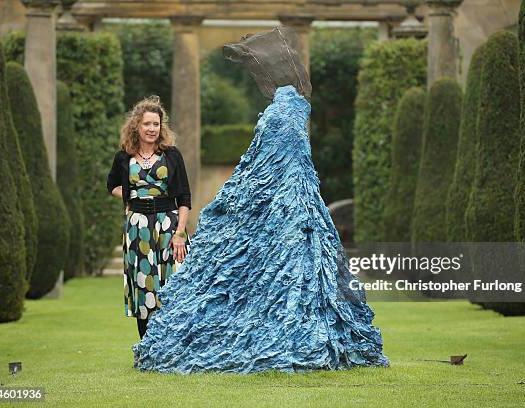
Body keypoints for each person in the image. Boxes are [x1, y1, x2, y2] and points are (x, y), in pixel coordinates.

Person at [132, 27, 389, 373]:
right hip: (299, 207)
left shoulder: (281, 112)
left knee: (279, 274)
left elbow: (266, 160)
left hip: (289, 206)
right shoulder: (295, 109)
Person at [106, 96, 191, 339]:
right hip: (137, 228)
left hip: (168, 225)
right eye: (147, 124)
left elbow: (184, 197)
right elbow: (111, 185)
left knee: (174, 283)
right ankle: (148, 346)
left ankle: (176, 345)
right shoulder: (123, 157)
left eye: (156, 124)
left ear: (161, 127)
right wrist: (131, 197)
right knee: (144, 284)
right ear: (137, 126)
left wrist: (180, 234)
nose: (152, 129)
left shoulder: (172, 155)